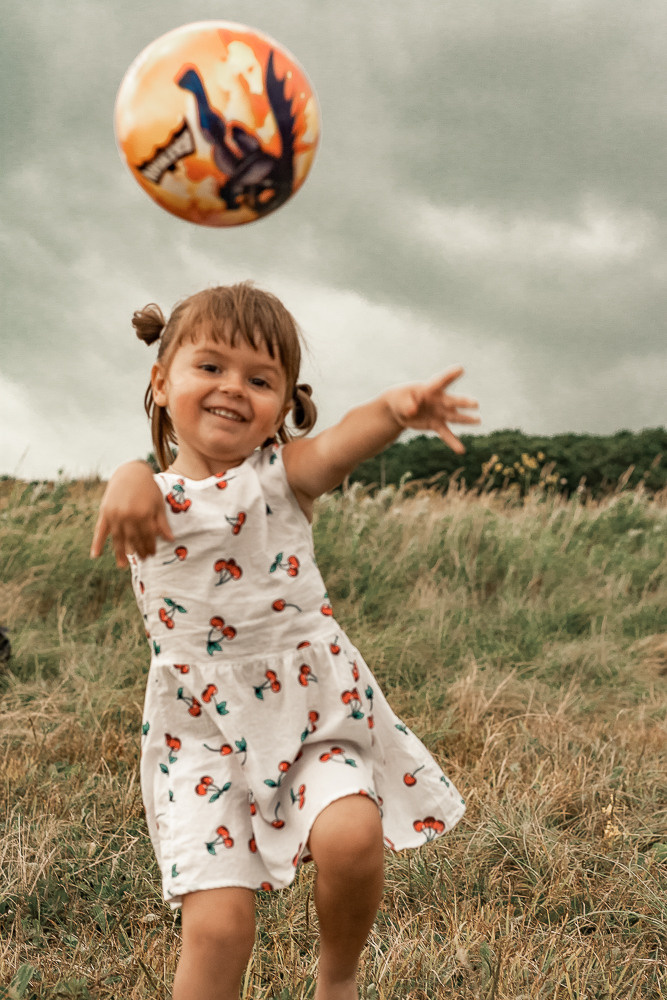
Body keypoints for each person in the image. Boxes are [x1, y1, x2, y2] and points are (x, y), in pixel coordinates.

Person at [91, 282, 480, 1000]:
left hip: (308, 716)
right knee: (219, 928)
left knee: (352, 836)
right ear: (161, 379)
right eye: (210, 367)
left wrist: (394, 413)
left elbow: (336, 447)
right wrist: (125, 475)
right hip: (201, 733)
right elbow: (134, 485)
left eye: (259, 378)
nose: (233, 388)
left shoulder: (280, 478)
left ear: (282, 401)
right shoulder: (143, 494)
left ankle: (338, 976)